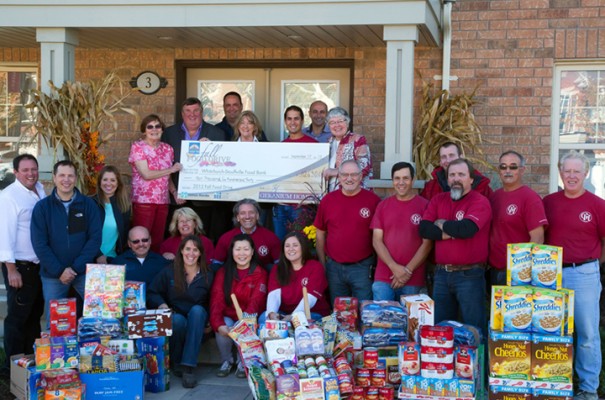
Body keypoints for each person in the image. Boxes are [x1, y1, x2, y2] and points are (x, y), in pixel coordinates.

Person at [543, 151, 605, 400]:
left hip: (584, 273)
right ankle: (555, 385)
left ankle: (588, 388)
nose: (571, 176)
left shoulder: (597, 205)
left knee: (587, 333)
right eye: (566, 171)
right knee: (552, 332)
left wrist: (592, 263)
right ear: (560, 172)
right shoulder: (549, 202)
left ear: (585, 173)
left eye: (576, 171)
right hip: (551, 274)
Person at [419, 158, 491, 336]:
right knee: (442, 329)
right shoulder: (438, 200)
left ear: (471, 179)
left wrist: (442, 224)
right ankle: (445, 364)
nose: (456, 178)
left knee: (474, 329)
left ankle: (477, 364)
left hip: (470, 276)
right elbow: (424, 229)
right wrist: (452, 231)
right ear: (447, 178)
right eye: (452, 175)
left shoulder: (479, 202)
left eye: (461, 174)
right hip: (442, 275)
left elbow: (467, 229)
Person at [31, 160, 102, 324]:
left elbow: (95, 239)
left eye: (70, 176)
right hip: (53, 275)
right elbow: (39, 244)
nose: (66, 179)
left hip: (84, 272)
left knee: (98, 317)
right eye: (62, 175)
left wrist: (76, 268)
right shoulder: (42, 208)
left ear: (76, 178)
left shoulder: (88, 205)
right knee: (55, 323)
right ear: (54, 178)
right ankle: (56, 348)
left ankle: (93, 348)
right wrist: (59, 271)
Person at [148, 235, 214, 388]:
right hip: (177, 319)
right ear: (181, 251)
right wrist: (162, 305)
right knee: (177, 321)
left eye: (195, 250)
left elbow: (215, 299)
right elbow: (153, 292)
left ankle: (188, 367)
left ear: (200, 253)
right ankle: (177, 362)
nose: (191, 254)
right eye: (188, 249)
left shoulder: (208, 274)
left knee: (197, 311)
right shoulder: (169, 271)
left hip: (200, 322)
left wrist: (211, 320)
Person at [0, 154, 46, 375]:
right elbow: (4, 234)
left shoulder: (40, 189)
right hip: (20, 267)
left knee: (34, 316)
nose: (31, 173)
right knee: (17, 319)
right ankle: (12, 369)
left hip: (38, 266)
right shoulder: (9, 196)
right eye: (25, 170)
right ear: (16, 172)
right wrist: (11, 269)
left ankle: (30, 364)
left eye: (34, 169)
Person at [162, 97, 229, 242]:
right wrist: (173, 191)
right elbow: (164, 166)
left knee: (203, 238)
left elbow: (223, 166)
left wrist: (212, 150)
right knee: (176, 238)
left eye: (196, 110)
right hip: (178, 198)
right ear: (182, 113)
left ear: (202, 112)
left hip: (205, 199)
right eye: (188, 111)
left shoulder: (216, 133)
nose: (192, 114)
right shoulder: (169, 133)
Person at [314, 160, 381, 303]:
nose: (349, 178)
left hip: (362, 268)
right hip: (334, 268)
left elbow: (380, 236)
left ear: (361, 176)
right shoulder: (328, 201)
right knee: (339, 315)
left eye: (354, 175)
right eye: (344, 174)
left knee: (365, 311)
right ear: (338, 177)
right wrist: (322, 264)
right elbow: (320, 235)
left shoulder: (373, 201)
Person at [371, 162, 432, 300]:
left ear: (413, 180)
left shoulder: (425, 206)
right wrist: (395, 268)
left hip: (413, 277)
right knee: (380, 320)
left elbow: (427, 243)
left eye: (405, 178)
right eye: (397, 178)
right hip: (384, 277)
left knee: (411, 321)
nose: (401, 182)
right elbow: (376, 240)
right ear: (392, 181)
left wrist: (407, 271)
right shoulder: (383, 206)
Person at [210, 234, 268, 378]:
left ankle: (244, 362)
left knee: (247, 326)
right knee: (224, 324)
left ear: (253, 251)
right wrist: (218, 324)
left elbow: (257, 301)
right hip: (230, 314)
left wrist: (245, 322)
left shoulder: (260, 273)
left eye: (246, 249)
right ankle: (227, 360)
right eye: (238, 249)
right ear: (232, 251)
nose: (242, 253)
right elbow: (216, 300)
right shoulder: (223, 272)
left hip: (249, 317)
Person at [488, 151, 547, 285]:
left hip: (518, 274)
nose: (507, 170)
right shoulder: (494, 197)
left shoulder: (530, 198)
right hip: (494, 271)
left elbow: (538, 238)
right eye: (503, 167)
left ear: (522, 170)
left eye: (513, 167)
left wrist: (522, 273)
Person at [129, 114, 182, 253]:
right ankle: (140, 268)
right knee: (141, 239)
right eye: (150, 126)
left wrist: (174, 192)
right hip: (144, 201)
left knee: (157, 240)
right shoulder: (138, 147)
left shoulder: (168, 149)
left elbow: (167, 176)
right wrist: (171, 169)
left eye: (157, 126)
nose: (154, 129)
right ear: (144, 131)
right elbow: (146, 174)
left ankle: (153, 270)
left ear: (162, 129)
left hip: (163, 200)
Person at [262, 232, 330, 324]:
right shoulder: (277, 268)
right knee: (263, 318)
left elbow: (310, 299)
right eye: (287, 246)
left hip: (311, 313)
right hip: (285, 314)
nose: (291, 249)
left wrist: (293, 317)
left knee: (297, 324)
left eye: (295, 245)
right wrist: (271, 314)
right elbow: (274, 294)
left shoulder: (315, 267)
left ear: (303, 247)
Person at [273, 106, 318, 240]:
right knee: (280, 246)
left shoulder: (314, 145)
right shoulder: (280, 147)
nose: (293, 122)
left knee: (301, 245)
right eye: (289, 119)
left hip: (302, 207)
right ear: (285, 121)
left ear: (302, 121)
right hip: (280, 206)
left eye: (296, 118)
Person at [214, 199, 281, 270]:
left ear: (257, 216)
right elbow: (216, 265)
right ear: (237, 217)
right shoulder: (226, 238)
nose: (247, 216)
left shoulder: (271, 237)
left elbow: (280, 266)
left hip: (262, 278)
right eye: (243, 213)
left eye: (251, 212)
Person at [322, 107, 373, 191]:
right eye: (332, 122)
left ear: (347, 122)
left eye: (340, 121)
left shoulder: (358, 140)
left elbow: (363, 168)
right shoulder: (327, 143)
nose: (337, 125)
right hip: (331, 193)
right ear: (328, 126)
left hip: (353, 193)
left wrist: (334, 172)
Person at [420, 141, 492, 200]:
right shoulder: (431, 187)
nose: (448, 160)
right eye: (444, 157)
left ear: (461, 157)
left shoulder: (481, 185)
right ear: (440, 162)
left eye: (451, 155)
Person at [91, 165, 131, 263]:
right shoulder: (90, 203)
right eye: (105, 179)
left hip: (113, 259)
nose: (108, 183)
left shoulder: (124, 206)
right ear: (100, 182)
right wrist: (98, 255)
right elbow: (84, 234)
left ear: (118, 184)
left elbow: (124, 237)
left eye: (113, 180)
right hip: (91, 258)